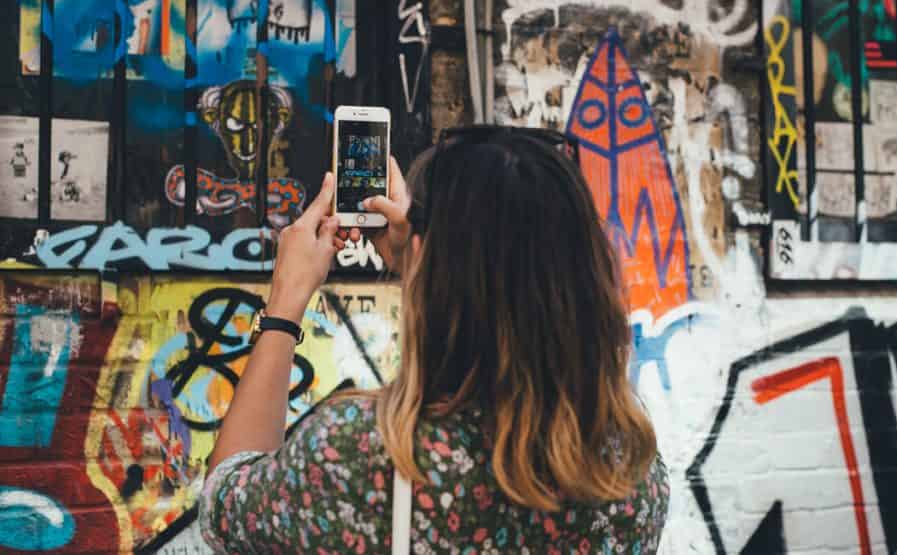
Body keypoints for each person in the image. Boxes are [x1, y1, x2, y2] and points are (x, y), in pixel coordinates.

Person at [198, 127, 670, 553]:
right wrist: (424, 263)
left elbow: (223, 506)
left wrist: (286, 302)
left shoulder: (360, 454)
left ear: (421, 252)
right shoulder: (628, 468)